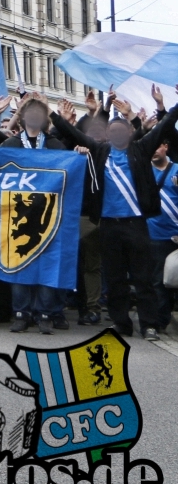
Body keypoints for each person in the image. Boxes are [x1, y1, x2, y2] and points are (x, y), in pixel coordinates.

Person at [53, 93, 178, 340]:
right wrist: (52, 114)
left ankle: (149, 325)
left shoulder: (141, 149)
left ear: (130, 133)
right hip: (109, 226)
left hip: (137, 225)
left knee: (143, 280)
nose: (118, 135)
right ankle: (122, 324)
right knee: (115, 279)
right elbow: (72, 133)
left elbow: (164, 124)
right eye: (113, 132)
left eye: (122, 131)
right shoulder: (100, 151)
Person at [0, 95, 67, 335]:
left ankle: (45, 314)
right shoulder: (10, 145)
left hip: (48, 215)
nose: (34, 117)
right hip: (16, 214)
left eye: (39, 114)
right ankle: (21, 313)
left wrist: (78, 152)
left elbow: (70, 170)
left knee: (46, 266)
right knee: (19, 264)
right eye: (30, 113)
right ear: (23, 117)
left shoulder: (54, 145)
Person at [145, 140, 177, 335]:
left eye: (157, 146)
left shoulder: (176, 171)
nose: (154, 151)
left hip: (174, 234)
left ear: (166, 146)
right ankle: (158, 321)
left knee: (170, 280)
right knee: (157, 280)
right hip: (151, 234)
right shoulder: (142, 171)